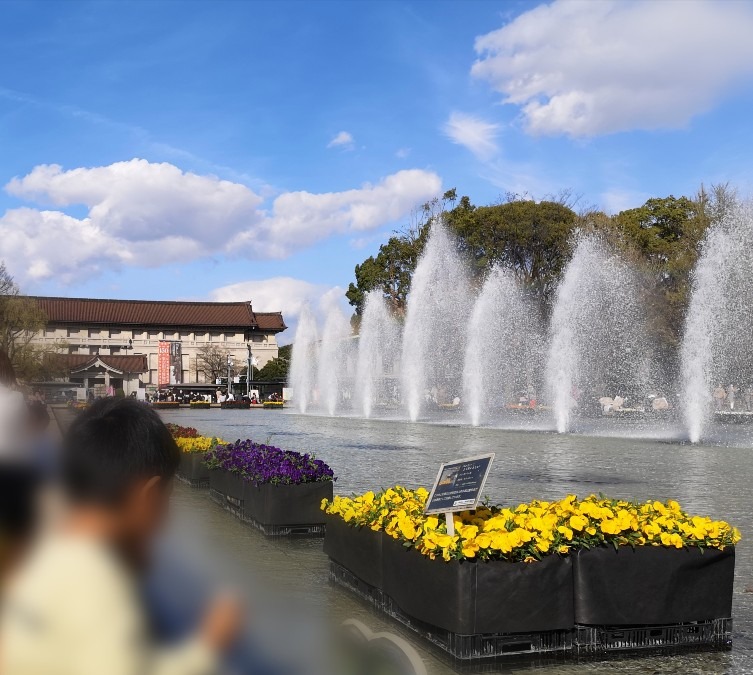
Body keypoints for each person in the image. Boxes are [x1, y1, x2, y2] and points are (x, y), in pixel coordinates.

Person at [0, 398, 241, 675]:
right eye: (168, 497)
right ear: (149, 496)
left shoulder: (39, 543)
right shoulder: (99, 583)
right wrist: (210, 645)